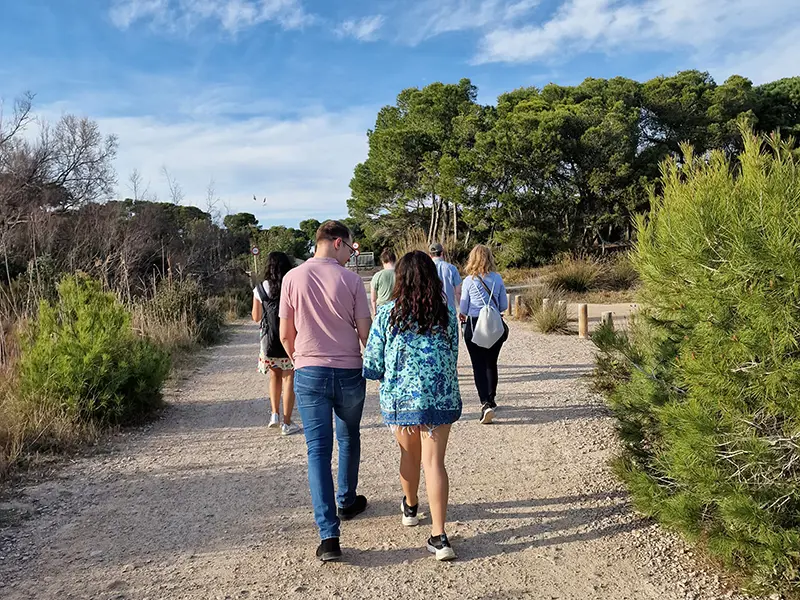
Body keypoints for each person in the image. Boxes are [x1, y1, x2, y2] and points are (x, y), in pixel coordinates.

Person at [279, 220, 372, 562]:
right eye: (350, 248)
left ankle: (329, 536)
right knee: (348, 437)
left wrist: (300, 360)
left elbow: (285, 334)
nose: (350, 254)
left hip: (309, 370)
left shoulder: (292, 278)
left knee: (317, 451)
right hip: (349, 369)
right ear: (336, 243)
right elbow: (366, 332)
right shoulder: (351, 280)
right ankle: (347, 500)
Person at [363, 250, 461, 561]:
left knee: (409, 454)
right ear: (432, 278)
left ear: (399, 279)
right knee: (434, 462)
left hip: (400, 398)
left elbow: (373, 362)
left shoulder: (387, 314)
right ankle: (439, 535)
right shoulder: (445, 314)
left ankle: (411, 506)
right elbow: (454, 355)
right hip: (439, 396)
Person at [252, 251, 300, 436]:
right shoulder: (292, 285)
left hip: (269, 342)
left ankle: (274, 415)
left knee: (274, 377)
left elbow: (256, 317)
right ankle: (287, 424)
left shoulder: (260, 289)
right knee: (289, 379)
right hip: (290, 340)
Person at [459, 244, 508, 425]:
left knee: (477, 365)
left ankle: (484, 402)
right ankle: (492, 399)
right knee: (491, 363)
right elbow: (503, 305)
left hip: (474, 325)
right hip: (494, 326)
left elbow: (463, 307)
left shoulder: (469, 281)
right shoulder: (497, 278)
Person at [429, 242, 462, 311]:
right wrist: (462, 310)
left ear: (430, 255)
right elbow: (458, 292)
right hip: (449, 309)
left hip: (432, 309)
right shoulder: (452, 268)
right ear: (442, 253)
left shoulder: (425, 269)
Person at [370, 247, 396, 315]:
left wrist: (375, 311)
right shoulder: (401, 274)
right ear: (394, 260)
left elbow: (373, 299)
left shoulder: (377, 276)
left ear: (382, 261)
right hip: (397, 307)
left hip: (382, 309)